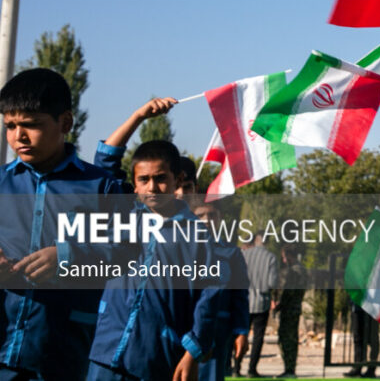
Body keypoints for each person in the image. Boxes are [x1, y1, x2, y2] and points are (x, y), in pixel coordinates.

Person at [0, 68, 125, 380]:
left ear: (65, 123)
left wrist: (68, 255)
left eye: (31, 125)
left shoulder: (102, 187)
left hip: (61, 353)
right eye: (10, 126)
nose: (19, 136)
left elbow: (128, 251)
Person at [82, 139, 222, 380]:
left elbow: (208, 298)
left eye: (160, 178)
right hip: (106, 350)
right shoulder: (121, 219)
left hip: (156, 354)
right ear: (134, 185)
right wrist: (139, 117)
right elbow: (105, 165)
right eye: (143, 180)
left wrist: (193, 352)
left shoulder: (198, 237)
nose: (152, 188)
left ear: (177, 181)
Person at [192, 201, 249, 381]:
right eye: (201, 215)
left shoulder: (231, 252)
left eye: (212, 215)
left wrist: (241, 331)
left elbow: (240, 294)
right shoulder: (180, 248)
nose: (207, 220)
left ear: (220, 218)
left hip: (218, 328)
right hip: (183, 324)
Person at [238, 233, 278, 378]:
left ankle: (236, 367)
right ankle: (252, 369)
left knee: (241, 334)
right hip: (261, 302)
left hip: (244, 300)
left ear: (255, 240)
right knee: (258, 337)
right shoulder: (271, 258)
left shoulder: (245, 255)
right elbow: (272, 283)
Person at [274, 244, 307, 379]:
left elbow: (288, 292)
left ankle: (289, 368)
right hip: (295, 308)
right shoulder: (301, 270)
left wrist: (279, 305)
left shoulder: (293, 272)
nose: (283, 260)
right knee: (290, 338)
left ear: (289, 256)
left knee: (286, 339)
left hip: (289, 309)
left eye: (284, 257)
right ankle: (290, 368)